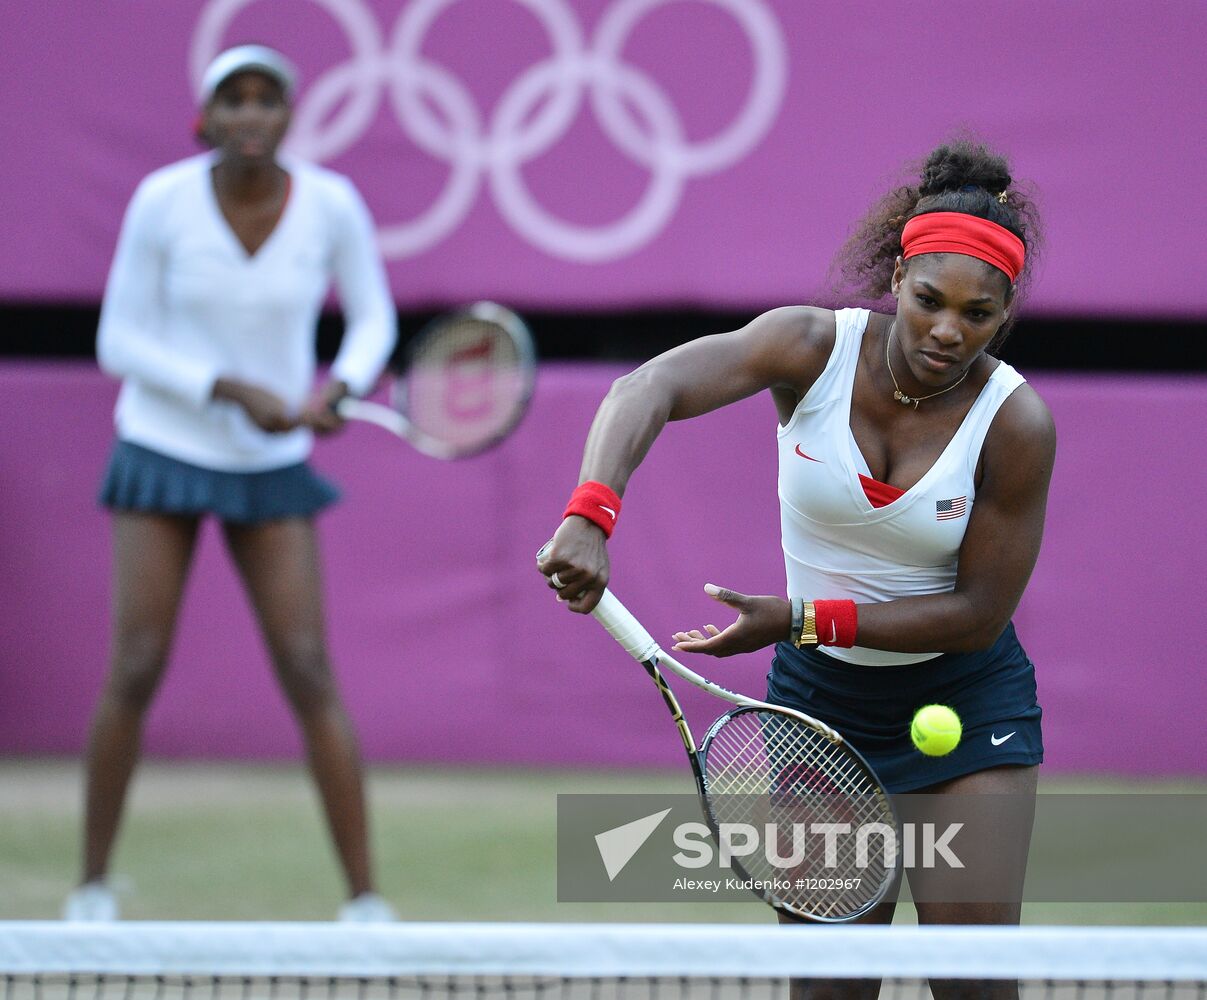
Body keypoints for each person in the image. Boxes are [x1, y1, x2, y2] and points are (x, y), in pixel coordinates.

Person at [538, 140, 1053, 996]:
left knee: (973, 984)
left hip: (965, 708)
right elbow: (646, 387)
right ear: (898, 276)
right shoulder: (810, 347)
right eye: (929, 301)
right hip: (820, 711)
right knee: (828, 989)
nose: (946, 331)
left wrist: (799, 620)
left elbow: (977, 617)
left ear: (1002, 316)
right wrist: (589, 513)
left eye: (977, 314)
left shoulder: (1014, 423)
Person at [64, 45, 398, 922]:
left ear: (289, 116)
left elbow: (372, 319)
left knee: (307, 668)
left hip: (270, 467)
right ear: (206, 118)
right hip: (161, 448)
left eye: (267, 100)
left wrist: (340, 388)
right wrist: (225, 388)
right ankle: (90, 890)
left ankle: (365, 905)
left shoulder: (331, 203)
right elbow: (118, 340)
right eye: (233, 100)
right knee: (136, 664)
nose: (250, 114)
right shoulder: (161, 200)